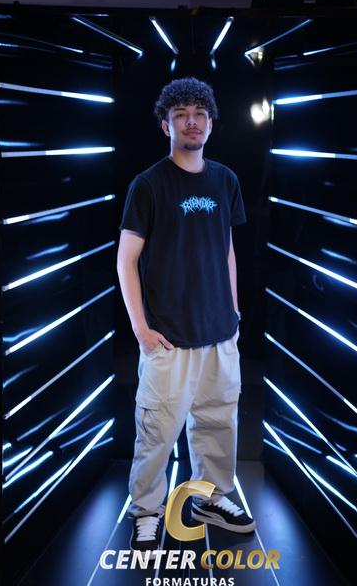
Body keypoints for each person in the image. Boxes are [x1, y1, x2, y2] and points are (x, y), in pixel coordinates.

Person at [117, 76, 255, 552]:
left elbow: (227, 250)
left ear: (211, 123)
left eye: (199, 114)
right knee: (156, 433)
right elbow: (126, 260)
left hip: (220, 333)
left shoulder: (226, 180)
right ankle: (146, 511)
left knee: (219, 423)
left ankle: (212, 498)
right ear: (166, 125)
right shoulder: (148, 185)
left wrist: (233, 310)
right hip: (168, 337)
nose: (191, 121)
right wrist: (141, 328)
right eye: (181, 115)